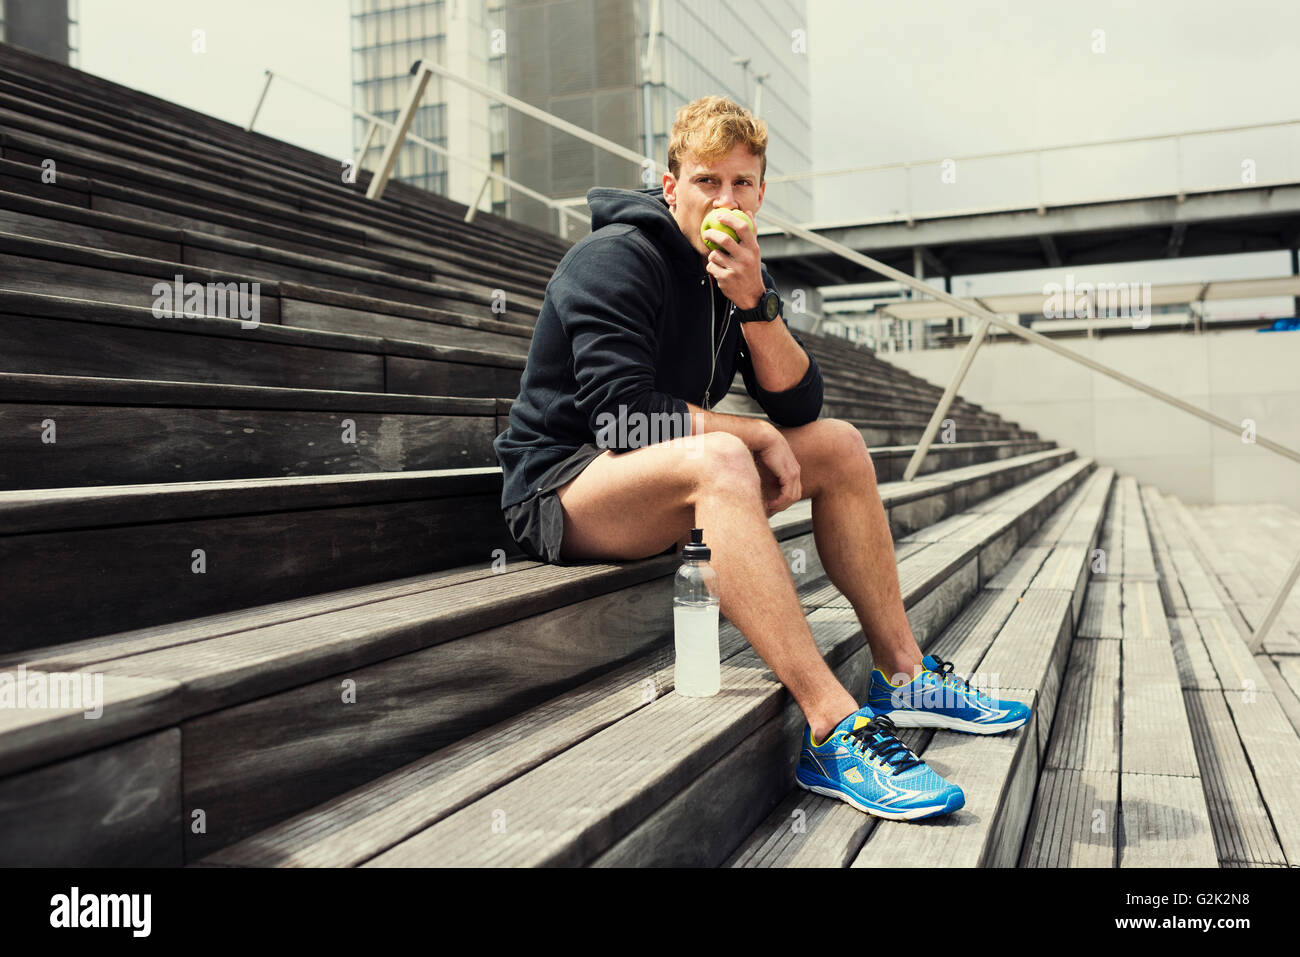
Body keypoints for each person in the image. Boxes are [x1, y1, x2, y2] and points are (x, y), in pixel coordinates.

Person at [493, 95, 1029, 821]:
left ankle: (902, 672)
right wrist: (747, 436)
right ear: (671, 182)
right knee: (721, 459)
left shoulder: (737, 269)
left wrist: (754, 303)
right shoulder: (614, 259)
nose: (726, 199)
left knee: (837, 444)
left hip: (657, 477)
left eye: (742, 184)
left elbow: (801, 408)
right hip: (564, 488)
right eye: (708, 181)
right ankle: (831, 727)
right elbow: (620, 418)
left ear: (762, 193)